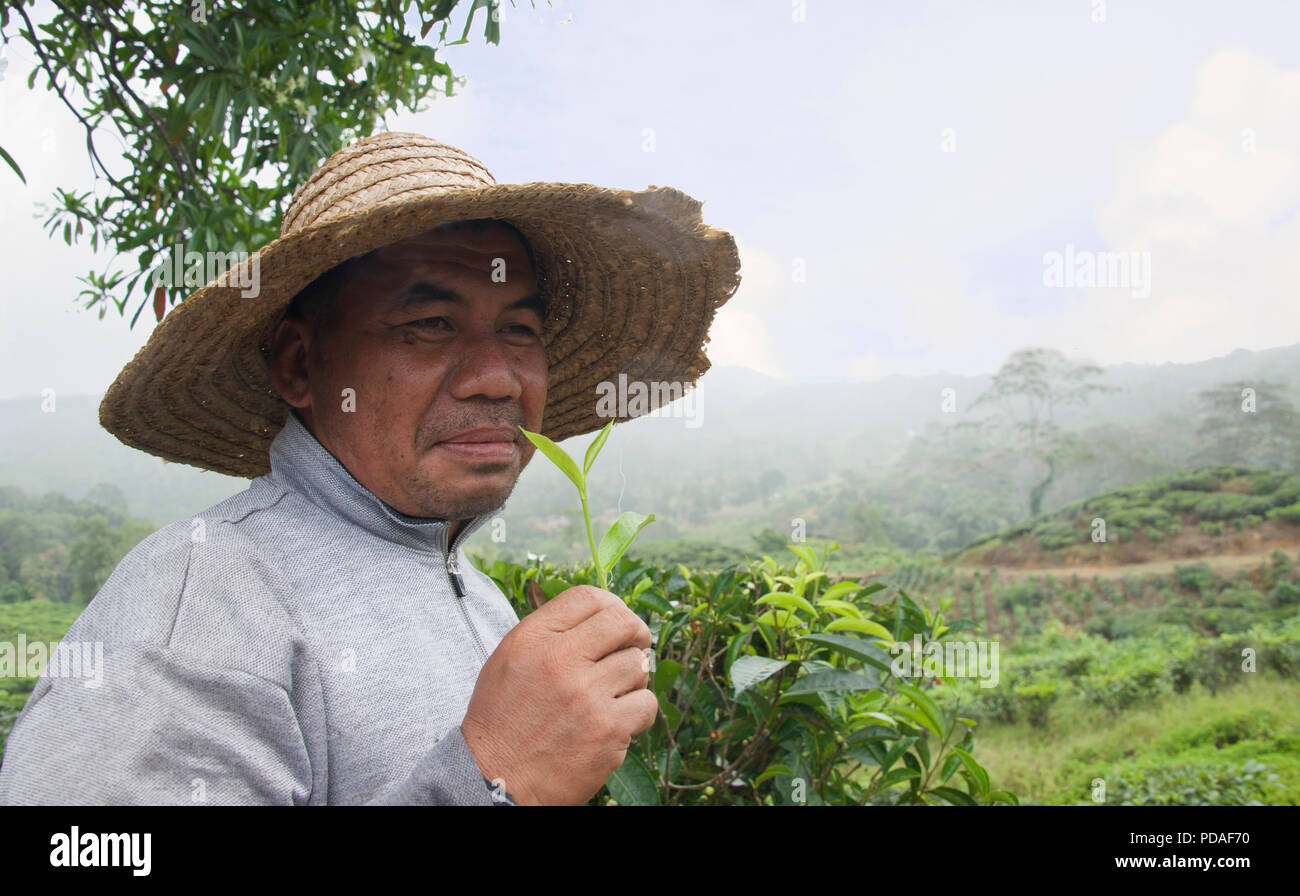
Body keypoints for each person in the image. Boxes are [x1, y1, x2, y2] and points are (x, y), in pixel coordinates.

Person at [0, 132, 741, 805]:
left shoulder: (482, 602)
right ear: (300, 363)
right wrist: (492, 779)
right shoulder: (205, 596)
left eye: (519, 328)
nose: (497, 378)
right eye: (428, 325)